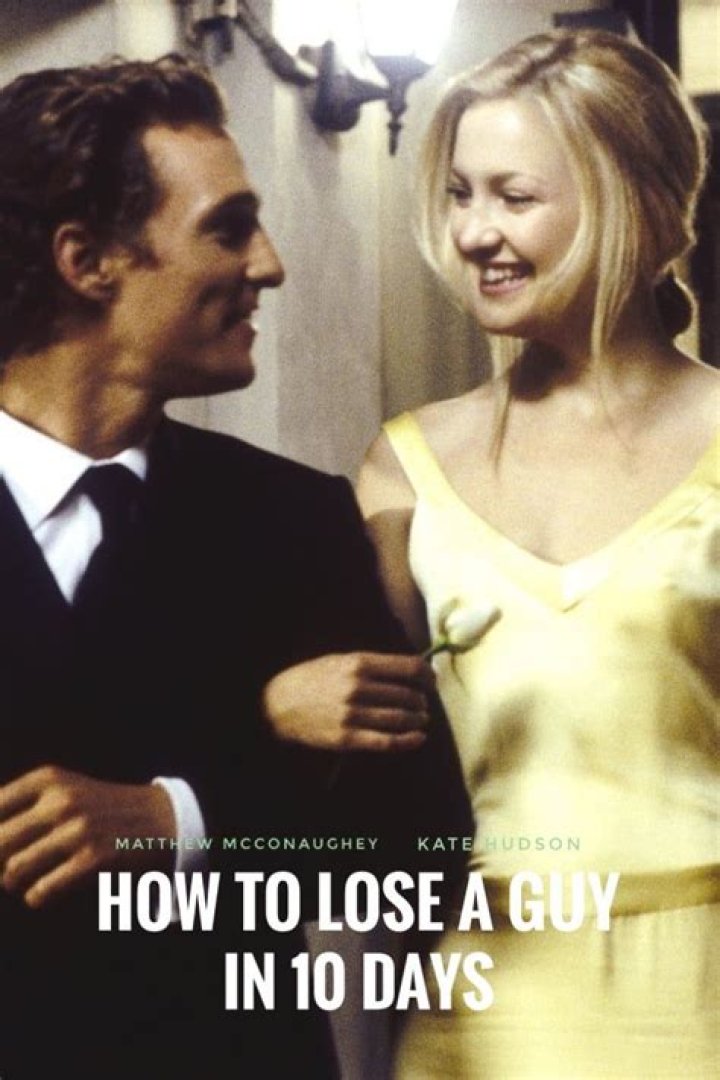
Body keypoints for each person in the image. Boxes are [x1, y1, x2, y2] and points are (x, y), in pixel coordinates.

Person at [0, 55, 470, 1079]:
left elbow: (419, 852)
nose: (271, 265)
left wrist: (184, 816)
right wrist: (253, 735)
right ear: (88, 260)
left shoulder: (294, 520)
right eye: (229, 228)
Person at [355, 28, 720, 1079]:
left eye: (513, 196)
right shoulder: (403, 467)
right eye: (459, 195)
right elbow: (367, 798)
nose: (474, 232)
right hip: (483, 1012)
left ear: (633, 203)